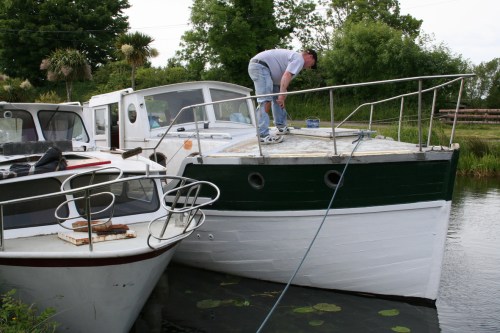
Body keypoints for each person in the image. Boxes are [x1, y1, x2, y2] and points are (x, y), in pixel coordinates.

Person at [248, 48, 317, 144]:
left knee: (277, 98)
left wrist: (282, 94)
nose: (309, 68)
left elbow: (282, 81)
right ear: (310, 57)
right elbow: (287, 75)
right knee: (265, 100)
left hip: (263, 67)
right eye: (312, 65)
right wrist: (282, 94)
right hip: (261, 67)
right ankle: (262, 135)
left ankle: (280, 127)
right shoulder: (299, 59)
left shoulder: (294, 57)